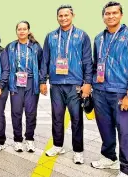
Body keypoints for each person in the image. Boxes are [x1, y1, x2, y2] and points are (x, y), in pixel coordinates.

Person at [90, 2, 128, 177]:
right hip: (100, 90)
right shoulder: (98, 38)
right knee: (104, 127)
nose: (111, 16)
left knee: (125, 130)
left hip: (121, 92)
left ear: (121, 15)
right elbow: (95, 64)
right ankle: (109, 157)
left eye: (115, 13)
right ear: (103, 16)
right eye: (107, 13)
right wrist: (92, 84)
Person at [40, 5, 92, 164]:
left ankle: (78, 151)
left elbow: (87, 61)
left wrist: (88, 82)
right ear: (57, 17)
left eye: (66, 15)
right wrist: (43, 80)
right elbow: (45, 60)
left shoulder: (82, 36)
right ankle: (57, 145)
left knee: (76, 118)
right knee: (57, 117)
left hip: (75, 84)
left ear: (72, 16)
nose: (63, 18)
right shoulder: (50, 36)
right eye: (60, 16)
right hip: (56, 84)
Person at [5, 21, 43, 153]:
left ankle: (30, 139)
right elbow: (5, 65)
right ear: (16, 31)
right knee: (16, 112)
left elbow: (42, 64)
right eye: (19, 29)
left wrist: (42, 82)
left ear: (28, 31)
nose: (21, 31)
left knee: (31, 113)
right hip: (16, 82)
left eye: (24, 29)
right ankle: (17, 140)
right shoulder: (10, 47)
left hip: (31, 82)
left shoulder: (36, 46)